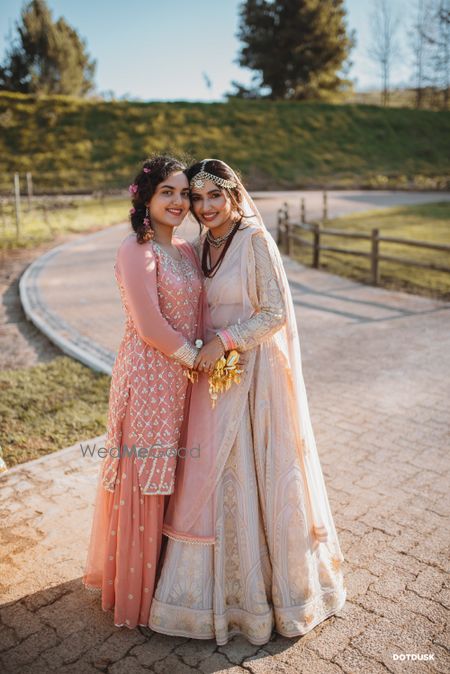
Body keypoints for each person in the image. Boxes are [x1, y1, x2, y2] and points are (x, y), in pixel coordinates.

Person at [148, 159, 347, 645]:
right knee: (217, 475)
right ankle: (216, 593)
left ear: (234, 194)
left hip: (258, 375)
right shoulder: (201, 246)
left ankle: (272, 600)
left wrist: (226, 341)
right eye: (196, 199)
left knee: (259, 472)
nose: (205, 207)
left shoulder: (254, 239)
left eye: (214, 196)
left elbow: (275, 312)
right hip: (217, 378)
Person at [83, 155, 205, 629]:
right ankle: (138, 592)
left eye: (183, 193)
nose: (178, 202)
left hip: (184, 381)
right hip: (149, 378)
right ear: (146, 199)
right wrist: (199, 358)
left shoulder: (187, 252)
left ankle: (172, 587)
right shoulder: (137, 250)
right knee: (147, 479)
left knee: (177, 476)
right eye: (167, 193)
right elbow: (150, 325)